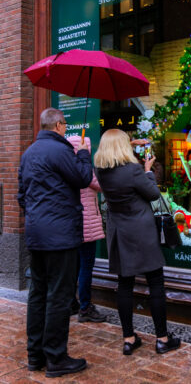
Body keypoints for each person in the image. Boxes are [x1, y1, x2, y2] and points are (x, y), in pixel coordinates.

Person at [18, 108, 93, 378]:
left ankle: (34, 355)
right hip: (60, 236)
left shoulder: (28, 153)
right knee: (59, 296)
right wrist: (83, 152)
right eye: (65, 125)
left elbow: (21, 195)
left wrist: (37, 219)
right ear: (59, 125)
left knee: (37, 294)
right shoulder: (61, 151)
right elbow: (83, 177)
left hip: (36, 235)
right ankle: (56, 358)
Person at [94, 129, 181, 356]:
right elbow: (153, 194)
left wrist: (128, 142)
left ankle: (129, 339)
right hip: (141, 232)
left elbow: (113, 150)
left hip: (120, 233)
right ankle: (162, 338)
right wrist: (148, 171)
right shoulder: (133, 170)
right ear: (123, 147)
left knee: (124, 285)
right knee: (155, 283)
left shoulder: (101, 170)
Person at [67, 135, 106, 323]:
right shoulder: (84, 170)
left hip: (74, 224)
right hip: (87, 224)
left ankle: (71, 303)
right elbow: (100, 185)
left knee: (74, 265)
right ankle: (85, 307)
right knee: (86, 266)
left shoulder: (66, 167)